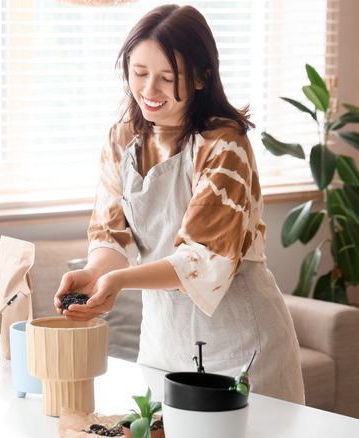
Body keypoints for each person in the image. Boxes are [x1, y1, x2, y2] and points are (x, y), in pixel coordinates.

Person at [54, 4, 304, 404]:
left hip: (240, 349)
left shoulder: (225, 145)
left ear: (203, 76)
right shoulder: (121, 141)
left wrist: (118, 282)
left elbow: (202, 259)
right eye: (139, 74)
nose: (149, 91)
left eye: (167, 78)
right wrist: (96, 273)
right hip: (162, 346)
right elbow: (112, 235)